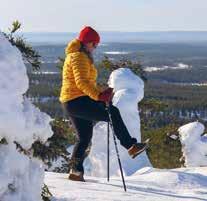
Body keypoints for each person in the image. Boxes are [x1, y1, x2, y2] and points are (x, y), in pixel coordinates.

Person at [59, 26, 147, 182]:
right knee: (112, 112)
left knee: (84, 138)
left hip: (71, 102)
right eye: (94, 44)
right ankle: (130, 146)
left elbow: (84, 83)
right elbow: (82, 82)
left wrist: (100, 93)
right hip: (77, 100)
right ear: (87, 42)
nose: (95, 47)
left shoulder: (77, 55)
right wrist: (99, 96)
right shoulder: (79, 57)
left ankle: (75, 171)